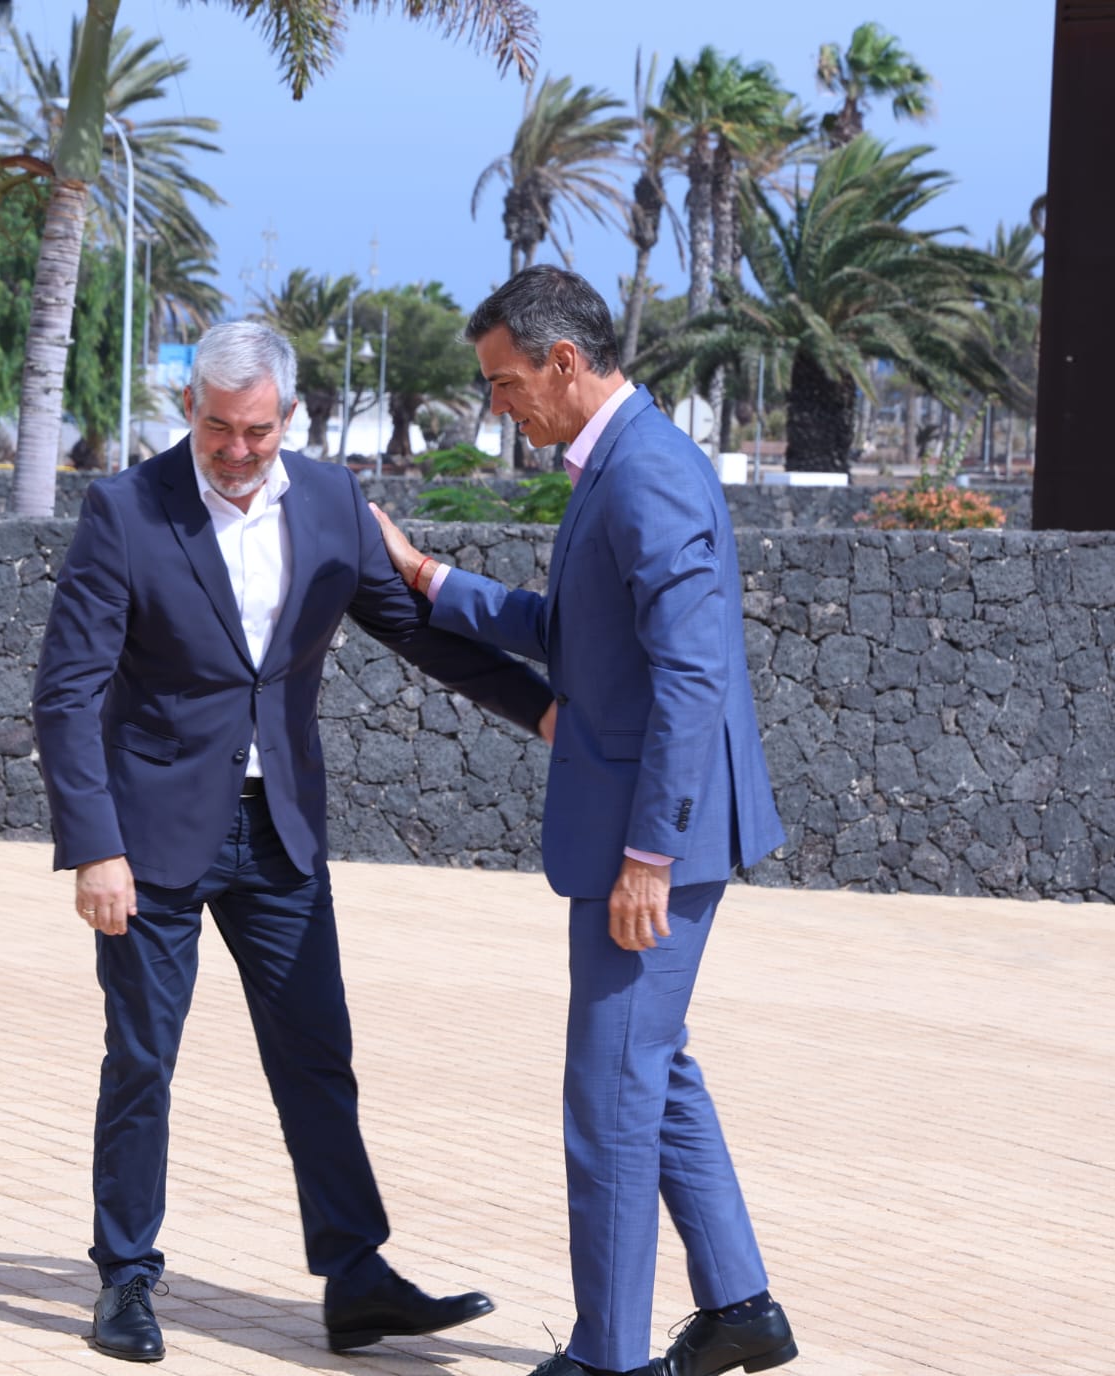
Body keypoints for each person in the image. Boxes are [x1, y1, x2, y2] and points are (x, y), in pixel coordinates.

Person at [34, 320, 555, 1363]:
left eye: (257, 430)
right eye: (219, 428)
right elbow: (66, 689)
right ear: (192, 412)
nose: (236, 450)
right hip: (150, 836)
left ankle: (356, 1275)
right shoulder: (127, 510)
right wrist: (92, 845)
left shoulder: (324, 499)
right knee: (143, 1058)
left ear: (288, 416)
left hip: (278, 832)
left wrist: (544, 712)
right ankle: (127, 1276)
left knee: (317, 1054)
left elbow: (408, 631)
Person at [366, 266, 794, 1376]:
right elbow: (574, 631)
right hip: (645, 828)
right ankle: (740, 1303)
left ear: (565, 362)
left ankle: (607, 1356)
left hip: (651, 838)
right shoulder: (616, 463)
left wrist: (648, 851)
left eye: (506, 384)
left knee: (605, 1097)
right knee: (651, 1067)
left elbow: (691, 679)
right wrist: (428, 575)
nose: (497, 408)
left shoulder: (644, 472)